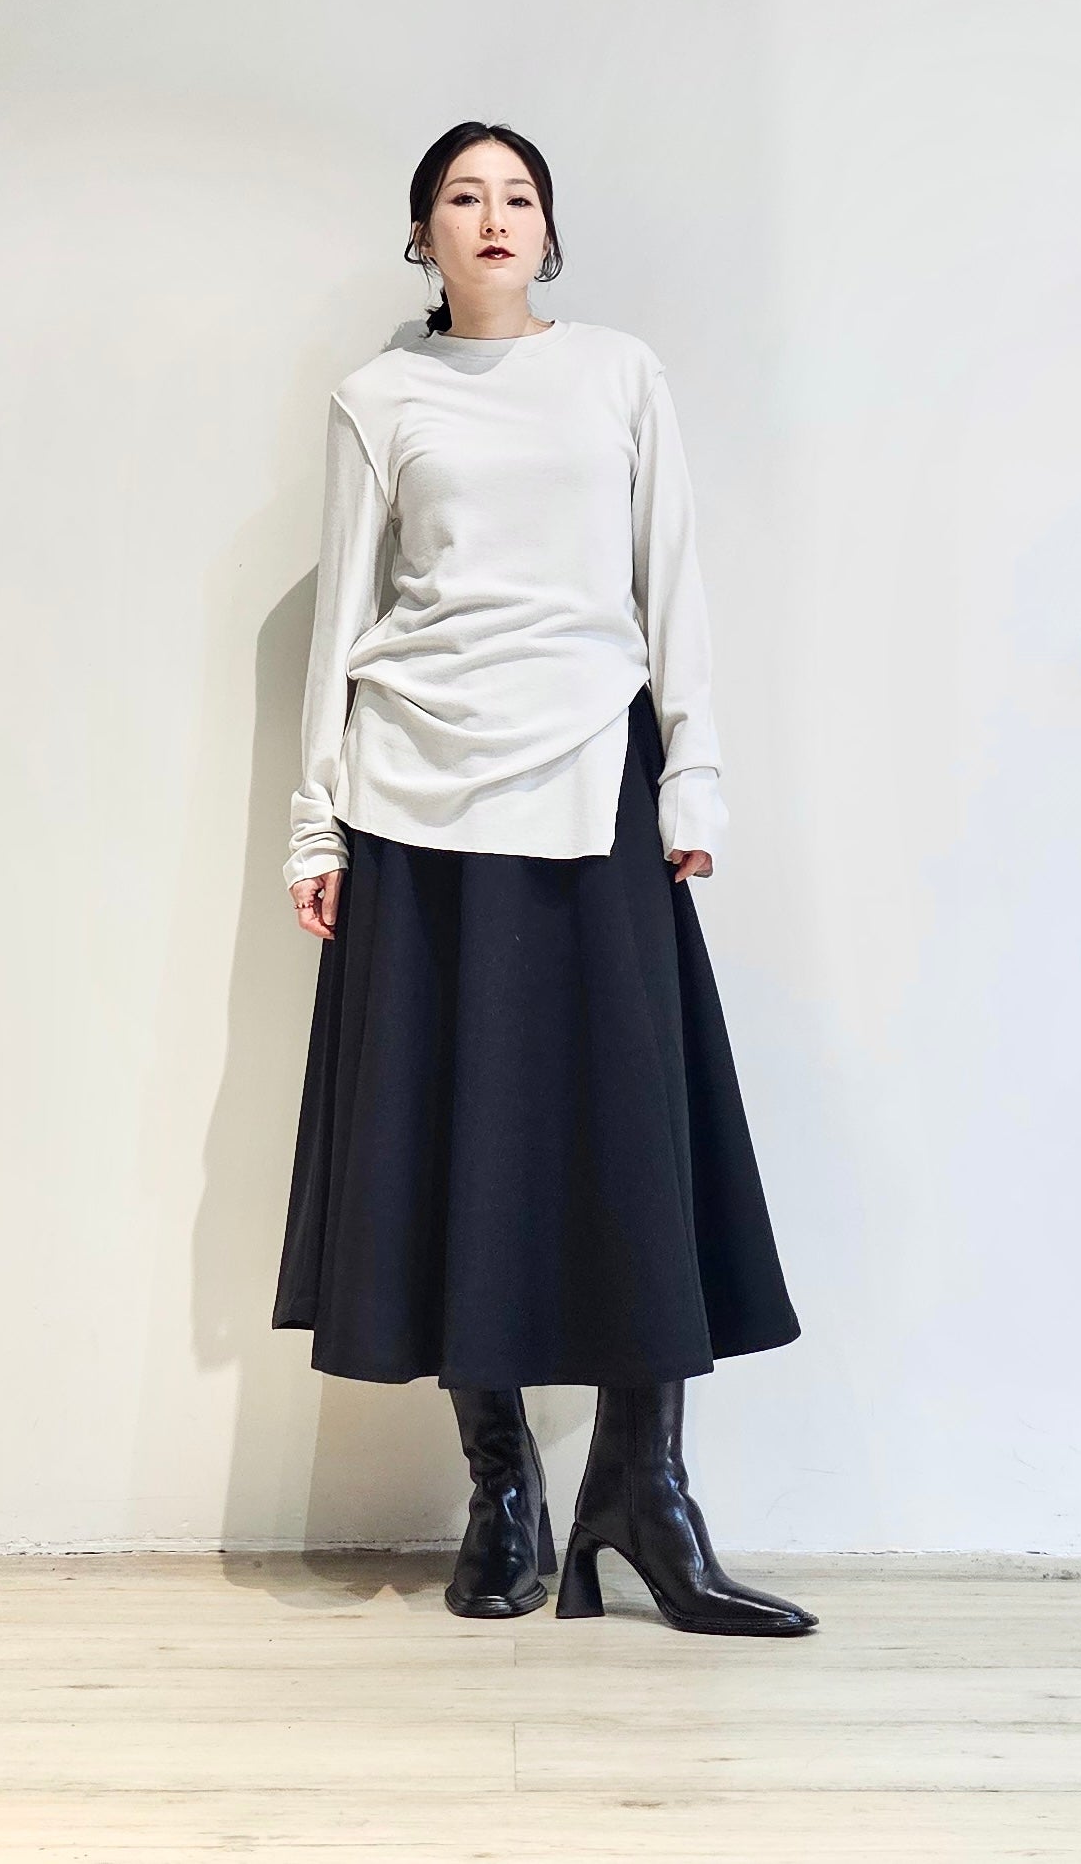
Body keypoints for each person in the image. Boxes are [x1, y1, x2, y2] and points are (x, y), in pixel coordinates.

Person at [271, 120, 817, 1636]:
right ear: (424, 236)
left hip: (594, 767)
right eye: (463, 196)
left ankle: (646, 1495)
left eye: (518, 196)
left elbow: (670, 579)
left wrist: (693, 774)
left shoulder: (620, 376)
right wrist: (316, 824)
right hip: (417, 792)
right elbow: (344, 621)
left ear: (550, 233)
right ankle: (502, 1485)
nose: (493, 216)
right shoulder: (380, 399)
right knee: (461, 1140)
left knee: (635, 1133)